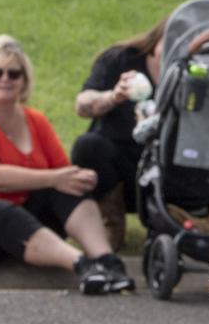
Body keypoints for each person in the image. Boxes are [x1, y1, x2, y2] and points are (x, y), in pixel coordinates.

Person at [0, 34, 134, 295]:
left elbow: (61, 175)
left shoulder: (36, 121)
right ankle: (84, 266)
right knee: (2, 211)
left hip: (21, 213)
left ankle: (108, 262)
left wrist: (79, 177)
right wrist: (53, 178)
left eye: (14, 73)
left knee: (68, 188)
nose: (5, 79)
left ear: (24, 80)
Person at [71, 18, 166, 252]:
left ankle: (185, 225)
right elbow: (82, 105)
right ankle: (110, 222)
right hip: (120, 167)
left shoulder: (197, 73)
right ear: (157, 40)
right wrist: (114, 96)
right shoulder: (121, 60)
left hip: (168, 168)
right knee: (88, 146)